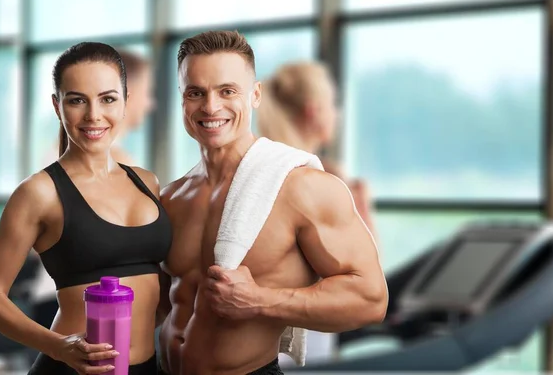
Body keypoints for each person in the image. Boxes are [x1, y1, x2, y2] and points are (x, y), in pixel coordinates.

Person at [157, 30, 388, 375]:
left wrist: (258, 301)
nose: (210, 106)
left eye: (227, 91)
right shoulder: (173, 197)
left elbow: (371, 299)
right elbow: (159, 305)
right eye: (195, 92)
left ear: (255, 95)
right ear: (182, 99)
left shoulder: (301, 188)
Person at [0, 42, 171, 375]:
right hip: (72, 369)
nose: (94, 114)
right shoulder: (38, 193)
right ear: (57, 106)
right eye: (77, 100)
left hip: (147, 366)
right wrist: (59, 347)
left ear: (125, 101)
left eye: (107, 98)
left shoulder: (147, 182)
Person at [30, 49, 157, 337]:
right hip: (65, 308)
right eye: (77, 100)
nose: (151, 104)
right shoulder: (53, 173)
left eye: (106, 98)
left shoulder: (140, 176)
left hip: (132, 334)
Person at [257, 61, 376, 235]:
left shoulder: (264, 166)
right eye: (332, 104)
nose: (337, 114)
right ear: (313, 111)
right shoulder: (328, 178)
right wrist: (362, 210)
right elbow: (366, 260)